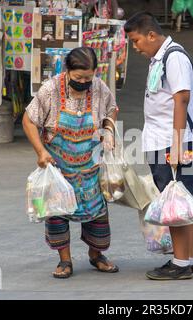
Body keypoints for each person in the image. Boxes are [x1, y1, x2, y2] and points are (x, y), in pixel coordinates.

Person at [23, 47, 119, 279]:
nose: (84, 82)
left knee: (97, 213)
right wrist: (40, 151)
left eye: (89, 77)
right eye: (78, 78)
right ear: (67, 71)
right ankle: (65, 261)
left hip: (90, 166)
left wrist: (109, 131)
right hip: (58, 166)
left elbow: (112, 109)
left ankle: (96, 256)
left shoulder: (99, 87)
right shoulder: (51, 89)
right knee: (57, 214)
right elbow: (29, 120)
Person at [124, 12, 193, 280]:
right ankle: (188, 258)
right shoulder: (161, 58)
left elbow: (181, 99)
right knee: (181, 200)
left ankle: (180, 264)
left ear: (152, 35)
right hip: (164, 141)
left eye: (136, 41)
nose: (135, 48)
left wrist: (177, 145)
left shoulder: (174, 57)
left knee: (174, 202)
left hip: (172, 143)